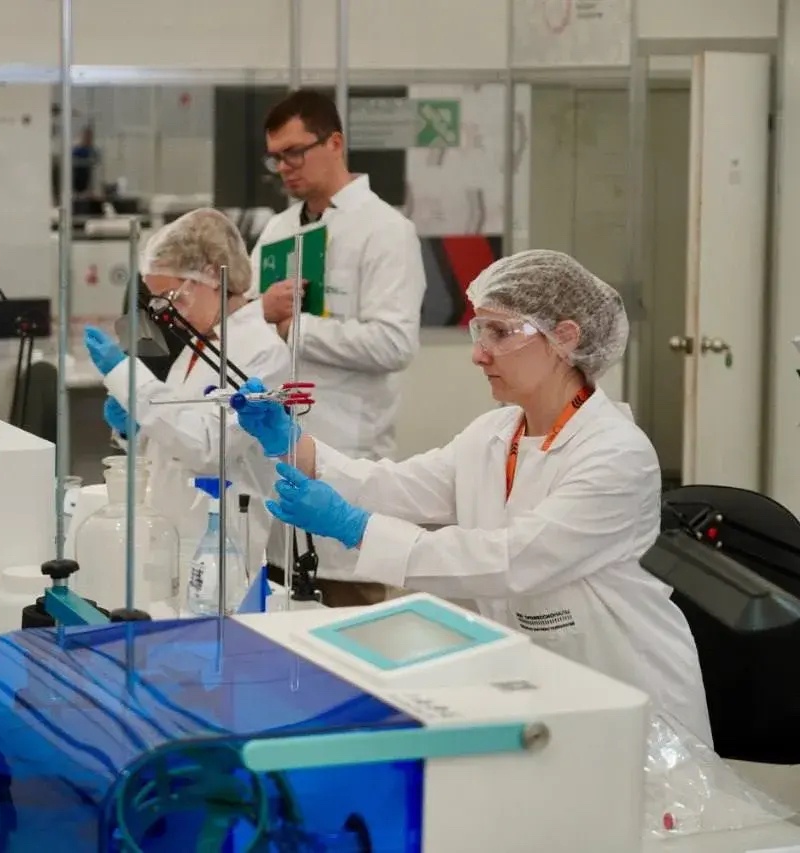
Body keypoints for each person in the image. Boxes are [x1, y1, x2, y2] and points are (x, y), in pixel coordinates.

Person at [235, 249, 712, 745]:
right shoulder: (496, 433)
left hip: (635, 704)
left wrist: (357, 529)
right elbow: (397, 486)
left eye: (500, 333)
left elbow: (511, 560)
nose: (479, 354)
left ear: (566, 337)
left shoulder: (615, 454)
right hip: (544, 687)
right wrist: (294, 445)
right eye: (478, 332)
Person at [250, 89, 427, 605]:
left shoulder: (385, 230)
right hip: (277, 459)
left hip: (348, 450)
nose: (284, 167)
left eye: (294, 152)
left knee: (348, 611)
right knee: (279, 617)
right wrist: (260, 312)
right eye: (276, 157)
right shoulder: (278, 229)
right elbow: (250, 324)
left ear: (335, 143)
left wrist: (293, 327)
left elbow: (394, 343)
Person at [81, 208, 292, 569]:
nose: (171, 315)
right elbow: (173, 431)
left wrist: (129, 379)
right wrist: (133, 431)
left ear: (213, 277)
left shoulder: (263, 352)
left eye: (174, 298)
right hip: (172, 530)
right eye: (160, 302)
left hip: (223, 545)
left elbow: (209, 448)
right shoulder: (200, 342)